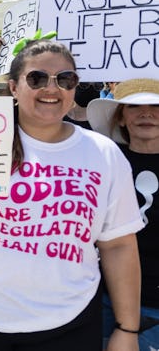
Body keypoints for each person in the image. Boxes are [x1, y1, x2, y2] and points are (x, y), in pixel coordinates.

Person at [0, 39, 143, 351]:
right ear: (13, 87)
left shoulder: (104, 154)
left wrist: (127, 328)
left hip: (68, 321)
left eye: (65, 80)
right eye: (37, 78)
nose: (51, 89)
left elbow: (119, 245)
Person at [88, 78, 159, 351]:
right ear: (120, 117)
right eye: (134, 106)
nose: (146, 113)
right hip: (104, 297)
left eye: (155, 106)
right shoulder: (104, 162)